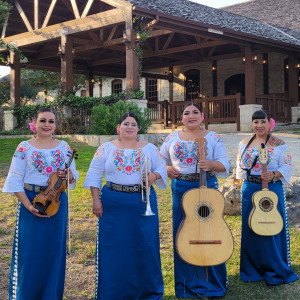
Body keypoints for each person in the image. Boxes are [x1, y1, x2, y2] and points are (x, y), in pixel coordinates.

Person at [84, 112, 167, 300]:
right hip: (113, 203)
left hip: (142, 201)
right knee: (114, 246)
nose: (129, 127)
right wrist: (96, 200)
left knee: (145, 245)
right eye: (125, 123)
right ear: (118, 128)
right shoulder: (106, 148)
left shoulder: (150, 149)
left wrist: (154, 176)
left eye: (133, 124)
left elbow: (162, 166)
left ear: (138, 129)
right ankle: (113, 291)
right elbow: (95, 175)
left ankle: (147, 291)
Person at [2, 107, 79, 300]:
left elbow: (73, 176)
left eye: (51, 121)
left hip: (56, 204)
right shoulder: (24, 147)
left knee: (54, 252)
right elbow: (14, 179)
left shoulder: (64, 147)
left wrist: (70, 175)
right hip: (31, 200)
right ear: (34, 124)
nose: (47, 125)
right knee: (29, 254)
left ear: (55, 125)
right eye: (43, 121)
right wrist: (28, 205)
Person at [160, 103, 230, 299]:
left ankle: (213, 281)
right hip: (181, 189)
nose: (191, 116)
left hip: (207, 188)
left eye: (195, 112)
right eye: (186, 113)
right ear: (181, 118)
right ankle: (186, 284)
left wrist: (210, 164)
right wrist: (166, 170)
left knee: (211, 231)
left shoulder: (213, 137)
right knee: (184, 234)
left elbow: (225, 163)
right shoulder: (172, 137)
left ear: (203, 116)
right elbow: (159, 160)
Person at [236, 109, 298, 286]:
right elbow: (240, 168)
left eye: (262, 121)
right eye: (255, 122)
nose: (259, 125)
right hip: (250, 189)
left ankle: (275, 266)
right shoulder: (244, 142)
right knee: (251, 227)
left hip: (272, 188)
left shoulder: (279, 143)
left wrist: (274, 174)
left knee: (273, 227)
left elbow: (287, 165)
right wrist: (242, 186)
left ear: (269, 122)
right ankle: (252, 268)